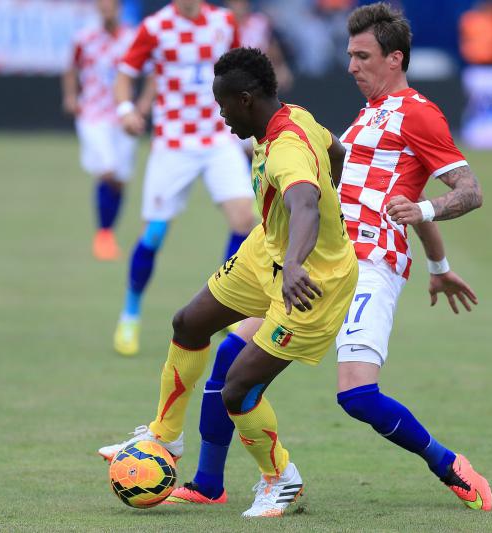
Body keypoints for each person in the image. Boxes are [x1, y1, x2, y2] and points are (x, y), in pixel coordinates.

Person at [161, 2, 492, 512]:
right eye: (350, 55)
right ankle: (208, 484)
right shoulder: (365, 116)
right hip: (317, 260)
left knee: (357, 397)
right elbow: (371, 189)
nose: (351, 66)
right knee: (228, 358)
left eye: (362, 56)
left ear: (395, 58)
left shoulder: (421, 113)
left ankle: (450, 466)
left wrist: (426, 217)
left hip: (369, 267)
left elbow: (467, 191)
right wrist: (438, 266)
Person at [99, 47, 359, 517]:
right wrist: (322, 213)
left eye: (222, 105)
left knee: (238, 389)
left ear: (245, 99)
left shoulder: (287, 150)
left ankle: (282, 479)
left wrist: (300, 259)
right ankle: (165, 436)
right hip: (266, 252)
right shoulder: (289, 117)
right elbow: (336, 151)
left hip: (310, 282)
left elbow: (303, 204)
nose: (219, 116)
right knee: (189, 323)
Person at [111, 0, 256, 356]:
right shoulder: (156, 27)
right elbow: (125, 74)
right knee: (155, 233)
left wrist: (253, 124)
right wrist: (126, 110)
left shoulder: (223, 23)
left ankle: (228, 308)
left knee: (244, 219)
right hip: (173, 142)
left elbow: (241, 74)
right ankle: (130, 314)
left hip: (219, 137)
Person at [62, 0, 152, 261]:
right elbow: (70, 68)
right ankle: (102, 234)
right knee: (108, 171)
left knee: (120, 178)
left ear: (118, 8)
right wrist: (70, 96)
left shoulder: (132, 38)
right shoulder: (85, 38)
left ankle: (107, 234)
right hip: (93, 115)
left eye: (110, 5)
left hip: (123, 117)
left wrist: (144, 102)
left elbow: (152, 70)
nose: (106, 9)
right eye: (101, 6)